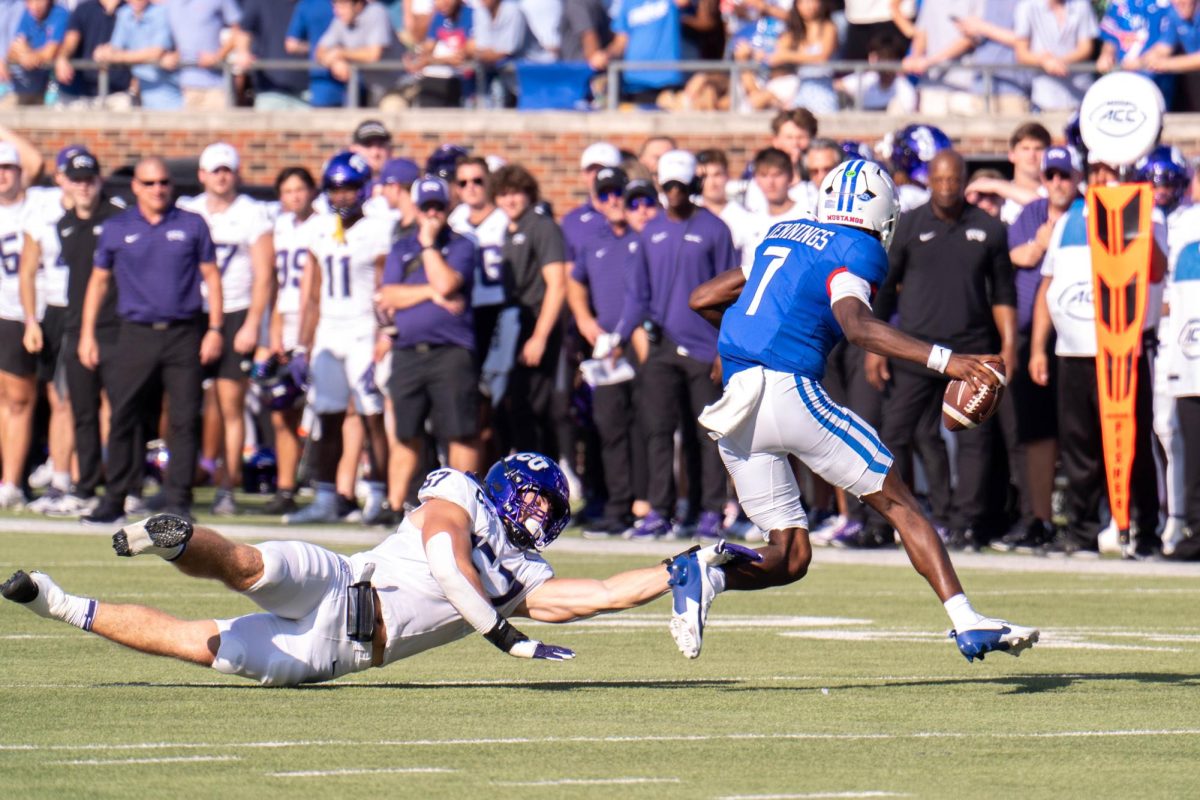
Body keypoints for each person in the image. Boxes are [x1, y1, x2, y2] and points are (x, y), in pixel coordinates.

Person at [675, 158, 1038, 663]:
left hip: (735, 406)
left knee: (791, 554)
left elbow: (702, 298)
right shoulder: (857, 247)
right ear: (883, 213)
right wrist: (949, 361)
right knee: (900, 502)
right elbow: (858, 327)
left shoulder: (781, 231)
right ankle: (967, 621)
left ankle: (709, 574)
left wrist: (739, 340)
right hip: (787, 391)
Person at [1, 454, 760, 685]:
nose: (544, 519)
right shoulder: (457, 494)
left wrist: (675, 566)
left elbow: (591, 595)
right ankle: (172, 540)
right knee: (253, 565)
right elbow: (443, 558)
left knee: (200, 644)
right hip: (342, 582)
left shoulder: (526, 569)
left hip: (338, 652)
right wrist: (502, 637)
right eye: (540, 503)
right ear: (513, 490)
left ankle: (61, 604)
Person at [867, 150, 1018, 551]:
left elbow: (1004, 292)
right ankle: (891, 518)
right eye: (941, 180)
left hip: (971, 351)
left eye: (955, 181)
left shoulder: (989, 228)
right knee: (894, 433)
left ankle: (967, 523)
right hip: (918, 349)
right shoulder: (910, 226)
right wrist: (876, 347)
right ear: (930, 180)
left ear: (964, 181)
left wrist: (1009, 347)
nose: (948, 188)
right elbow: (885, 293)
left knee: (974, 441)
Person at [1029, 154, 1167, 559]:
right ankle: (1083, 531)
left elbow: (1157, 269)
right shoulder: (1069, 221)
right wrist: (1039, 346)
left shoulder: (1145, 214)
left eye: (1110, 170)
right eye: (1096, 171)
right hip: (1074, 350)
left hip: (1124, 350)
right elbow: (1047, 287)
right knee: (1078, 446)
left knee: (1134, 441)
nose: (1103, 178)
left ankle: (1143, 532)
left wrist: (1137, 225)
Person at [78, 156, 225, 525]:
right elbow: (97, 283)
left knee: (183, 417)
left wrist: (216, 328)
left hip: (183, 332)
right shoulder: (116, 228)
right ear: (135, 187)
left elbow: (212, 277)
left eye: (163, 182)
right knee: (123, 415)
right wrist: (86, 334)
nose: (158, 189)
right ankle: (116, 496)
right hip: (135, 332)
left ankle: (178, 498)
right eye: (149, 183)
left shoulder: (191, 223)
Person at [629, 150, 737, 541]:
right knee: (658, 430)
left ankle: (709, 509)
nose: (674, 193)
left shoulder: (714, 229)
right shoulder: (651, 231)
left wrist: (725, 349)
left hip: (705, 348)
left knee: (706, 432)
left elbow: (731, 293)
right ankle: (661, 509)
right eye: (668, 186)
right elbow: (638, 292)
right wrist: (637, 338)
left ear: (692, 185)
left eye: (680, 185)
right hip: (662, 346)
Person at [286, 152, 392, 525]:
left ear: (362, 190)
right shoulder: (319, 228)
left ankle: (379, 495)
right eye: (335, 188)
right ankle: (326, 496)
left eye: (348, 188)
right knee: (326, 416)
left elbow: (384, 288)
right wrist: (302, 344)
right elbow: (311, 292)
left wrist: (385, 335)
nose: (342, 196)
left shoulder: (378, 228)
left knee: (371, 413)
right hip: (330, 328)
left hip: (364, 327)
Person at [989, 145, 1080, 555]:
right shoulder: (1031, 214)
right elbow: (1014, 257)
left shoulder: (1085, 214)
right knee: (1034, 432)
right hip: (1032, 336)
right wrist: (1040, 244)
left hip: (1078, 334)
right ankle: (1039, 518)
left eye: (1064, 175)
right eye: (1051, 175)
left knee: (1079, 434)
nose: (1058, 183)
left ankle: (1087, 520)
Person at [178, 143, 274, 517]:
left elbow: (265, 274)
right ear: (202, 174)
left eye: (227, 170)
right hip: (192, 312)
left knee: (231, 403)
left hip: (235, 311)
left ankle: (226, 486)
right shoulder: (189, 210)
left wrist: (253, 322)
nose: (221, 176)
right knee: (181, 403)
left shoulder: (252, 213)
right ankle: (180, 483)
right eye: (214, 170)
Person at [378, 176, 480, 523]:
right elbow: (389, 296)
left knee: (458, 431)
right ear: (417, 209)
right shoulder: (399, 247)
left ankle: (463, 507)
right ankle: (394, 506)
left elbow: (447, 282)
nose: (433, 213)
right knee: (406, 433)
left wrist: (428, 246)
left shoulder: (462, 245)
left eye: (439, 207)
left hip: (450, 352)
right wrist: (431, 295)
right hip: (407, 352)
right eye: (427, 207)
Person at [35, 151, 126, 517]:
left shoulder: (119, 219)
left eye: (89, 179)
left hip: (117, 326)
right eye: (77, 179)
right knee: (82, 410)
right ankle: (85, 486)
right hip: (76, 325)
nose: (84, 186)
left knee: (121, 410)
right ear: (66, 182)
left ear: (99, 181)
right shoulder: (65, 224)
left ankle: (125, 487)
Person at [567, 167, 642, 539]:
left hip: (642, 345)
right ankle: (616, 506)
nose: (614, 200)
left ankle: (647, 505)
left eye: (619, 193)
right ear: (596, 200)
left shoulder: (644, 235)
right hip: (606, 351)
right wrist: (583, 318)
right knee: (608, 428)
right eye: (606, 193)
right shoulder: (593, 241)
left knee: (648, 429)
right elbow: (575, 283)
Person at [491, 163, 567, 457]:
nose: (509, 200)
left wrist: (539, 337)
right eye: (503, 194)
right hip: (512, 328)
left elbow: (557, 285)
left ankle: (540, 488)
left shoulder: (541, 226)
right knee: (515, 409)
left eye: (516, 193)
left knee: (534, 410)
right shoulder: (509, 229)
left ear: (529, 194)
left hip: (535, 326)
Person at [261, 166, 317, 517]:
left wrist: (309, 339)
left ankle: (328, 485)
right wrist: (274, 333)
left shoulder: (325, 224)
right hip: (286, 324)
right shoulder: (278, 228)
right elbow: (275, 284)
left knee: (324, 415)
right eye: (287, 190)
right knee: (282, 410)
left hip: (318, 327)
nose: (294, 196)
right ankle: (286, 486)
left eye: (300, 189)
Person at [1013, 0, 1098, 112]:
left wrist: (1056, 62)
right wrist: (1043, 61)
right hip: (1044, 99)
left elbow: (1086, 48)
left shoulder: (1082, 5)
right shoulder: (1026, 7)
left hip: (1081, 95)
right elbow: (1021, 53)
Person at [95, 0, 180, 110]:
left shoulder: (162, 12)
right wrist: (103, 52)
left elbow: (155, 52)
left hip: (169, 92)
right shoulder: (124, 13)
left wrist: (117, 57)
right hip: (143, 91)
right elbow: (115, 47)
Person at [163, 0, 241, 110]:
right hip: (185, 87)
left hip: (216, 87)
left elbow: (239, 31)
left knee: (220, 126)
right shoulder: (171, 4)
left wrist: (217, 56)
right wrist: (171, 55)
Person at [54, 0, 132, 107]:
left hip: (120, 92)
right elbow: (70, 42)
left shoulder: (130, 10)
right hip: (83, 94)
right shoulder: (83, 9)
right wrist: (62, 58)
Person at [6, 0, 69, 105]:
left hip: (53, 88)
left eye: (39, 1)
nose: (35, 6)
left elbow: (50, 53)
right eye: (30, 2)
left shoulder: (60, 14)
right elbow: (12, 51)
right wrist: (25, 56)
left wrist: (28, 54)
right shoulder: (27, 15)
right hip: (26, 85)